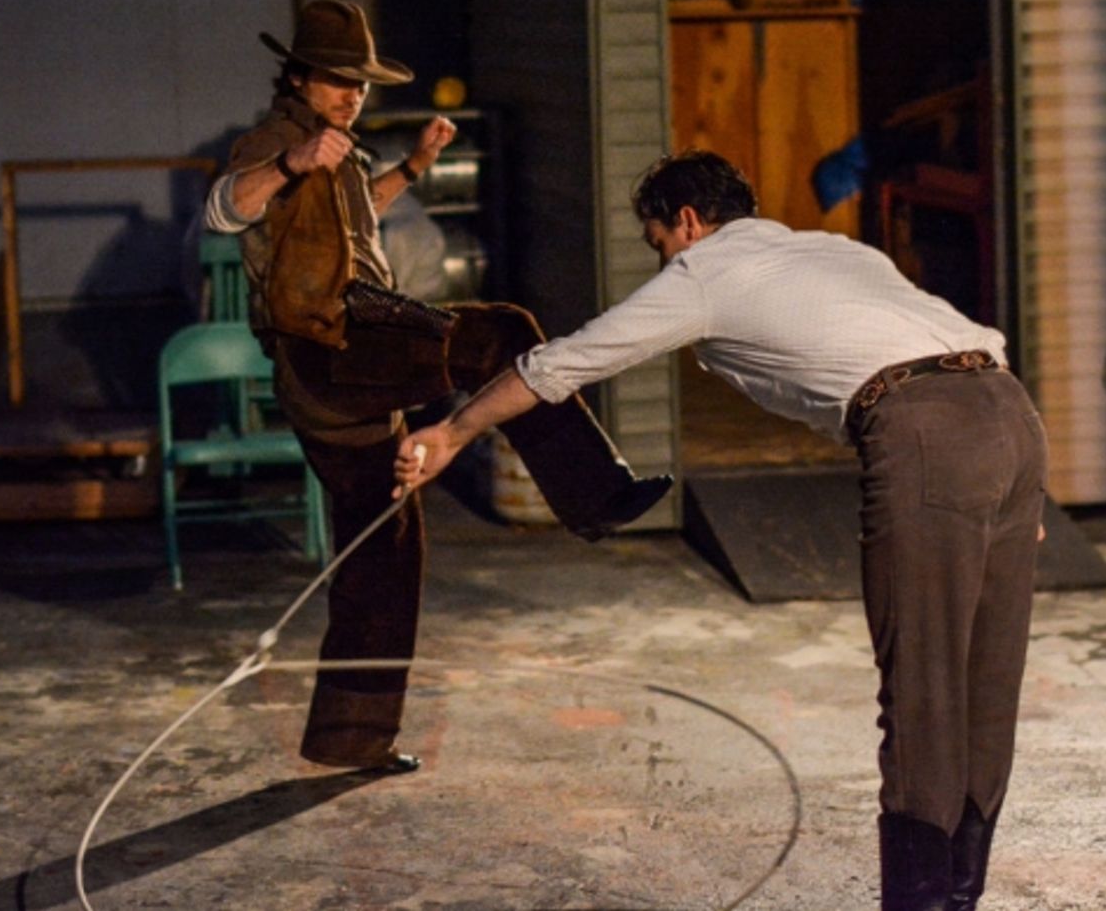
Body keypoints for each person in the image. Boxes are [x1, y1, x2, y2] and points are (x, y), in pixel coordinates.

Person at [394, 150, 1047, 909]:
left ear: (689, 224)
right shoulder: (832, 249)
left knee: (924, 692)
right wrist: (1016, 489)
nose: (662, 260)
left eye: (658, 242)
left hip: (925, 434)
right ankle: (958, 896)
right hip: (1010, 412)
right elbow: (956, 338)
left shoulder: (702, 273)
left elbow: (559, 365)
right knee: (986, 684)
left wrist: (454, 430)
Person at [203, 0, 670, 774]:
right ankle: (595, 495)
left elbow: (352, 224)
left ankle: (348, 739)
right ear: (300, 76)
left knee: (383, 553)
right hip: (334, 350)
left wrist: (414, 166)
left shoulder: (337, 150)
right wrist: (290, 163)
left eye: (360, 83)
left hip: (345, 374)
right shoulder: (278, 140)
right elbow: (224, 209)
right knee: (503, 334)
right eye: (337, 80)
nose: (352, 94)